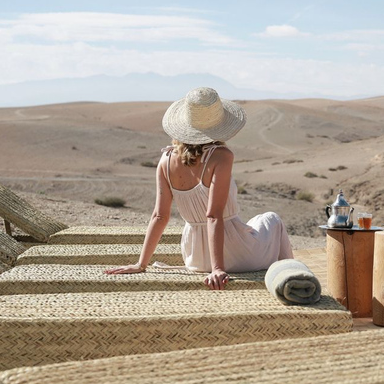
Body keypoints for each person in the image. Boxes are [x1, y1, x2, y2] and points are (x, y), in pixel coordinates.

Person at [106, 87, 294, 289]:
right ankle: (293, 277)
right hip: (236, 254)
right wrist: (217, 268)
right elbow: (213, 215)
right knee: (272, 219)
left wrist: (140, 264)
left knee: (258, 221)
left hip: (194, 257)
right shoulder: (221, 156)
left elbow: (159, 216)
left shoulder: (166, 159)